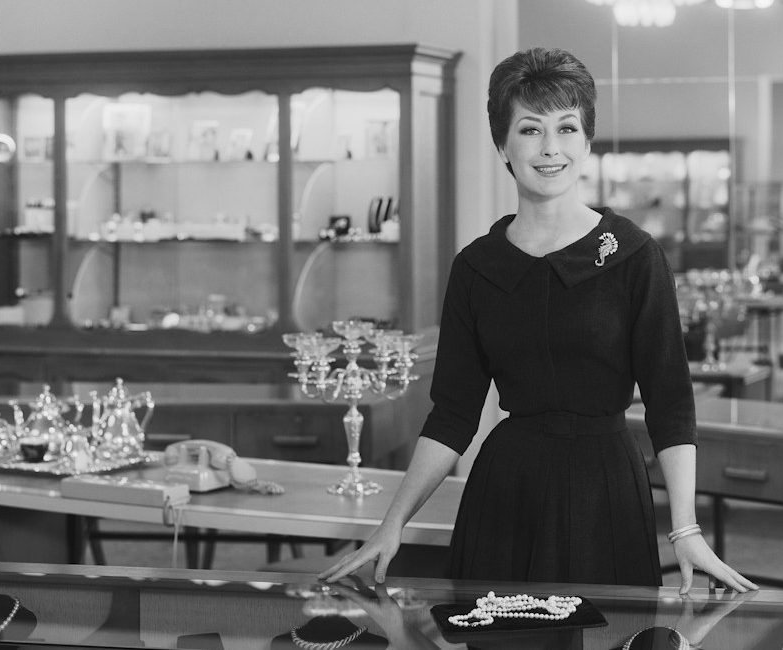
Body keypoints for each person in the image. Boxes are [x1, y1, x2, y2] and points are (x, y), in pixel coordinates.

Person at [321, 46, 756, 594]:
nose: (551, 148)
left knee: (609, 631)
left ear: (587, 142)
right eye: (530, 130)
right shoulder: (477, 267)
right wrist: (392, 524)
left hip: (606, 492)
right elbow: (453, 414)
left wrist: (685, 529)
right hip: (505, 493)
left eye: (567, 128)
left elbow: (670, 404)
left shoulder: (634, 255)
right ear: (502, 145)